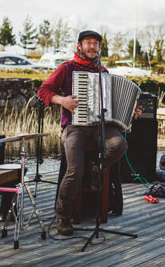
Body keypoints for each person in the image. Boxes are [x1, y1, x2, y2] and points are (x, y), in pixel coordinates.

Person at [37, 30, 139, 236]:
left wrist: (131, 112)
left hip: (101, 125)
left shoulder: (103, 71)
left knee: (120, 144)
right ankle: (62, 215)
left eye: (95, 44)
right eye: (88, 43)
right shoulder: (66, 68)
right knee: (75, 169)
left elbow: (114, 104)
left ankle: (95, 168)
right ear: (79, 46)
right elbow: (43, 90)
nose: (92, 47)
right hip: (75, 126)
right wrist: (62, 100)